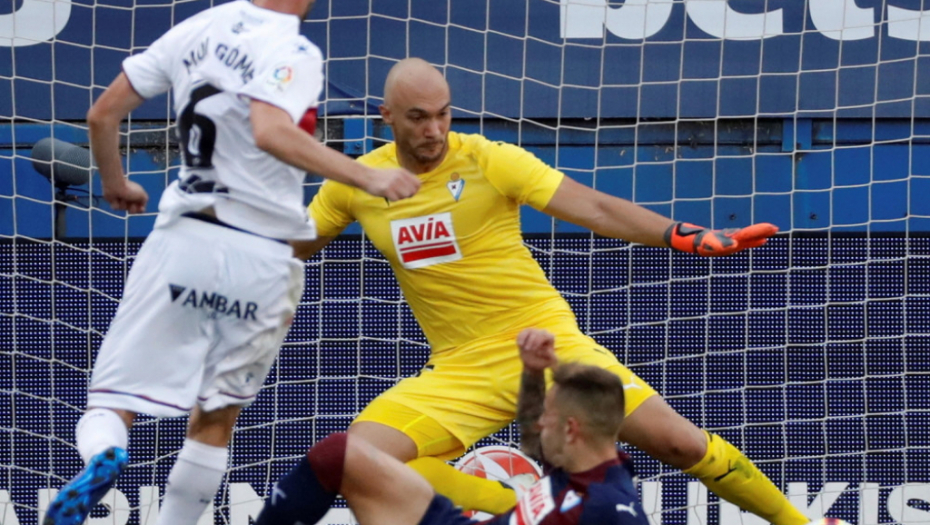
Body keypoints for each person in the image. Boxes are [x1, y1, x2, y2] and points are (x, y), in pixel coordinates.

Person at [293, 56, 810, 525]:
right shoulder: (357, 182)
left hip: (544, 341)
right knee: (358, 459)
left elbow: (595, 208)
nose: (434, 130)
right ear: (386, 116)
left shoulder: (489, 160)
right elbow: (292, 249)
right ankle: (518, 509)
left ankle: (800, 523)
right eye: (418, 117)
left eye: (443, 114)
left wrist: (684, 235)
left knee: (679, 442)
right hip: (458, 366)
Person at [42, 2, 421, 525]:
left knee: (112, 402)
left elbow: (101, 115)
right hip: (266, 261)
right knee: (216, 420)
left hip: (190, 237)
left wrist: (115, 181)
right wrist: (369, 175)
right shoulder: (293, 48)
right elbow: (270, 130)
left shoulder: (197, 28)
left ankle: (103, 453)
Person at [253, 328, 649, 525]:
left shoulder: (608, 509)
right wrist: (532, 372)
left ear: (571, 429)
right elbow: (532, 435)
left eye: (549, 415)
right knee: (340, 455)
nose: (538, 423)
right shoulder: (584, 461)